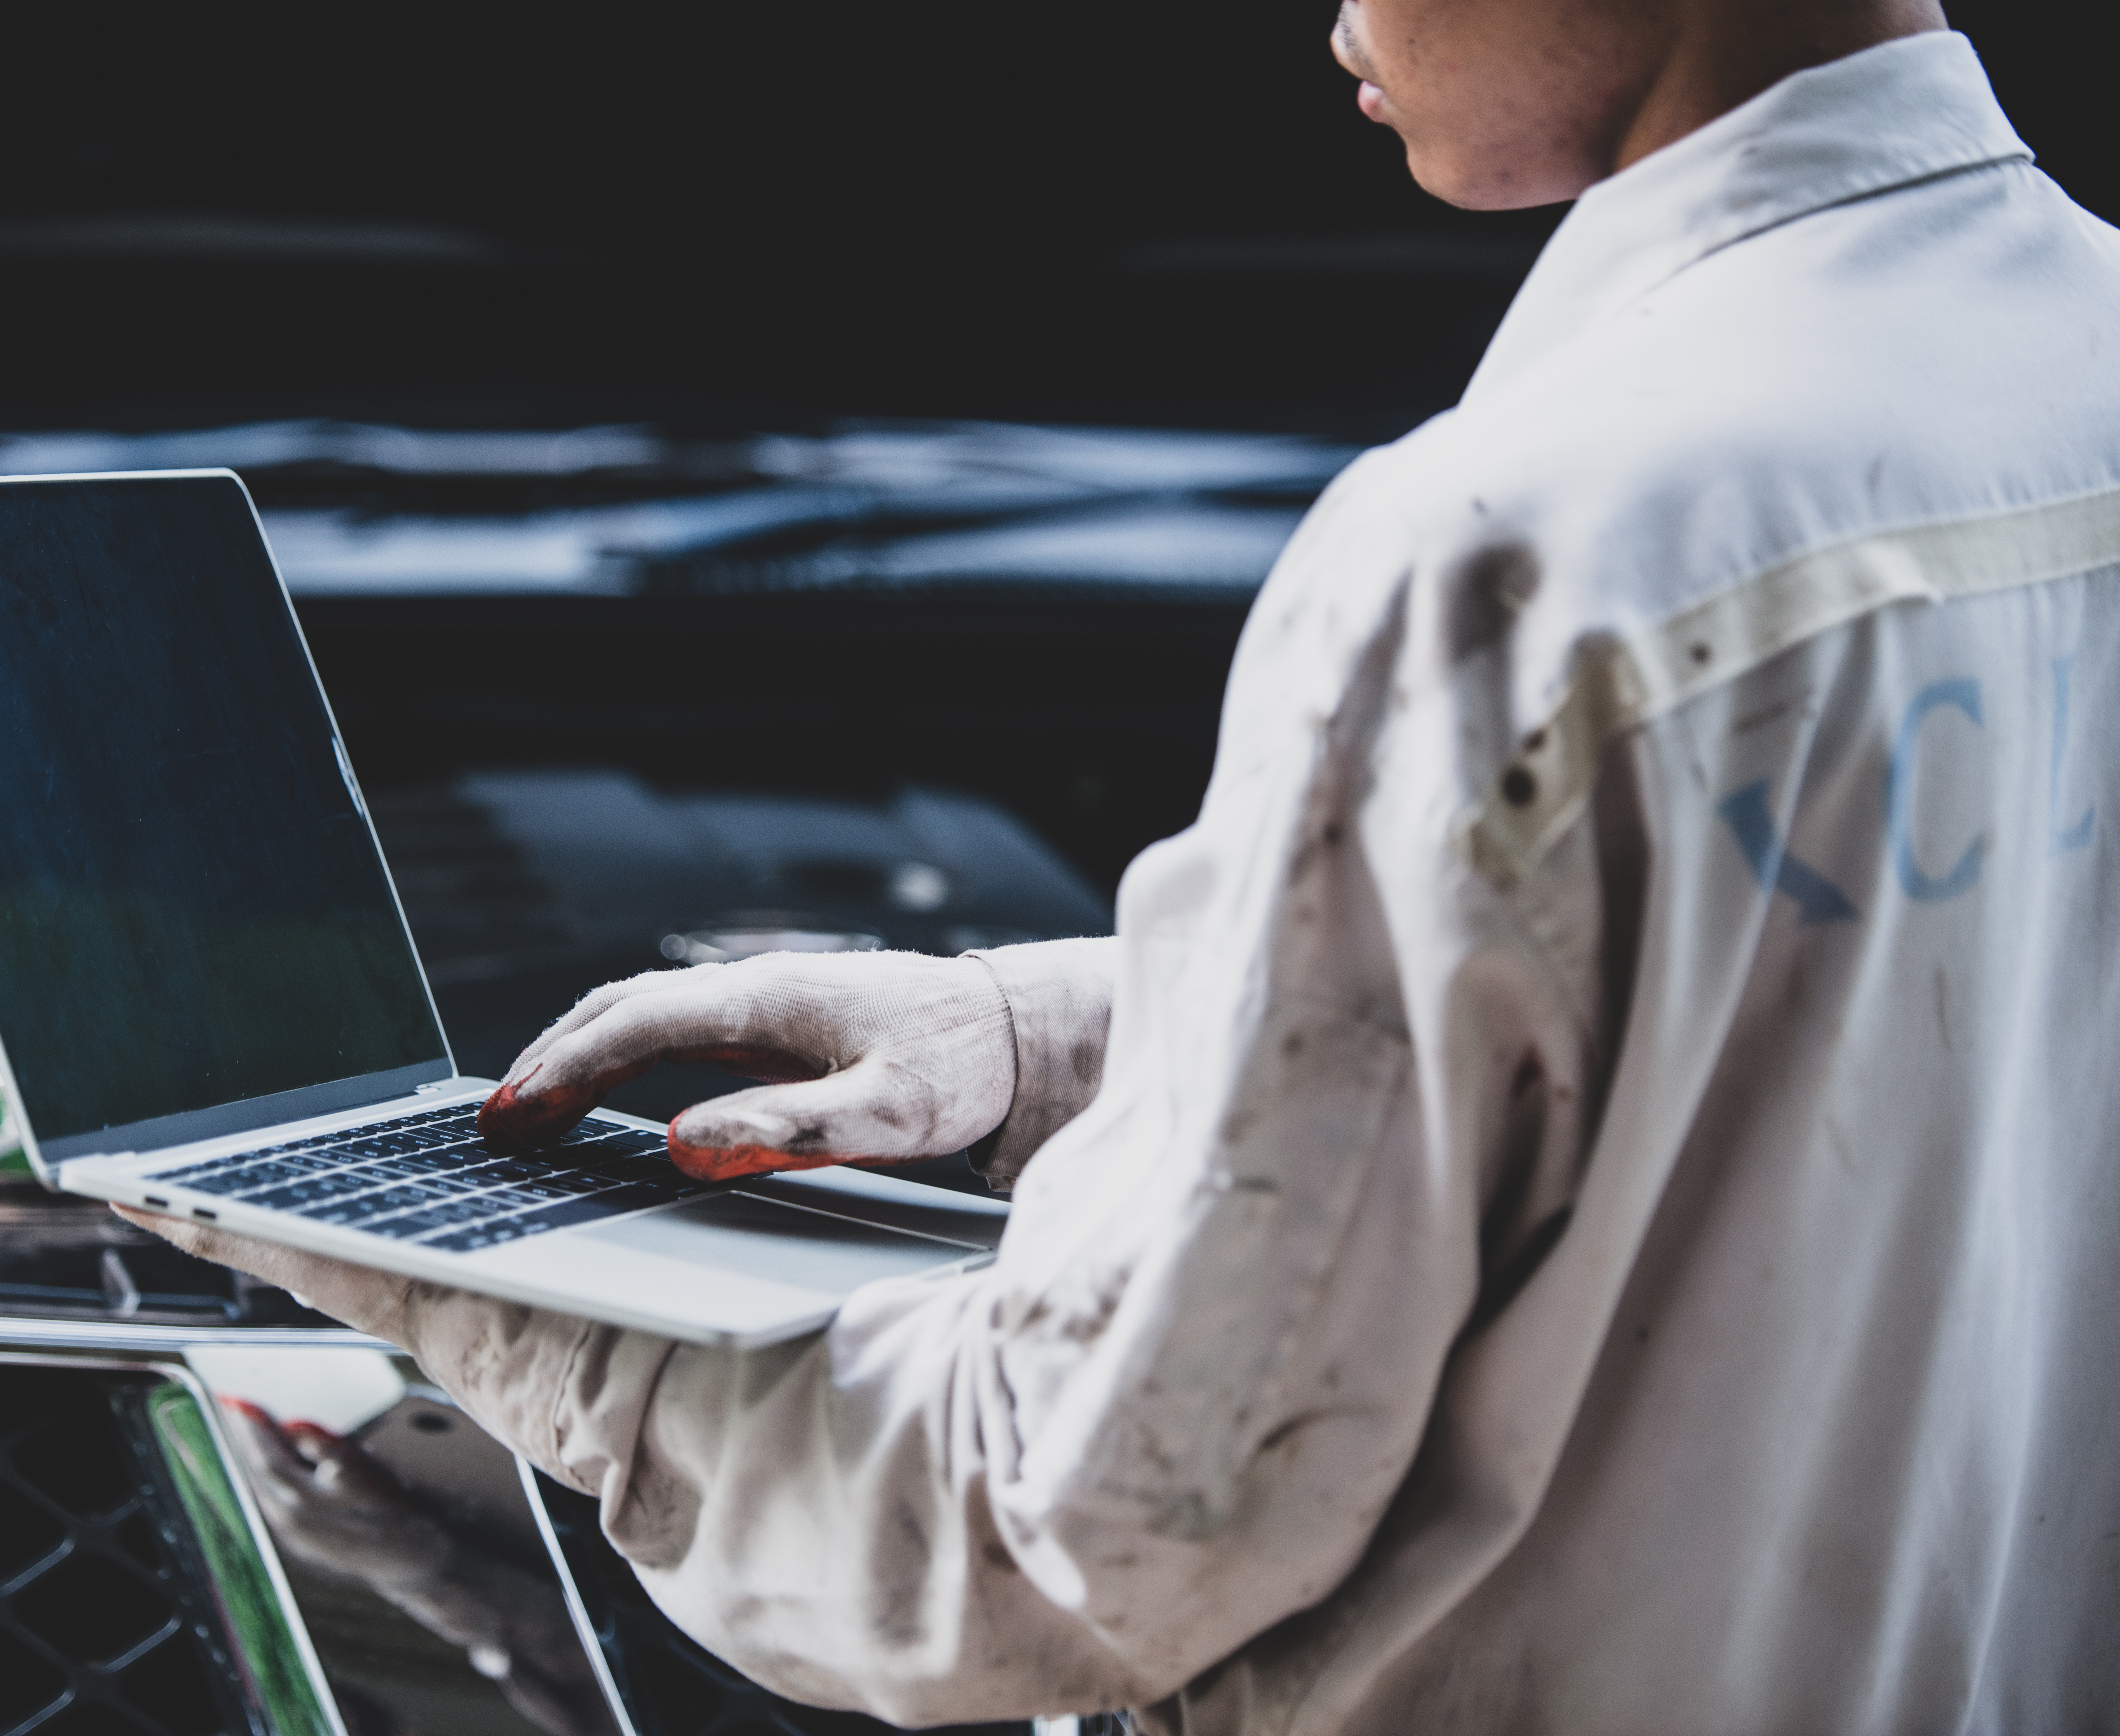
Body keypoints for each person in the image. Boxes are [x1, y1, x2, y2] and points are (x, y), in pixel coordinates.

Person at [133, 0, 2120, 1725]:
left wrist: (482, 1304)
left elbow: (1072, 1531)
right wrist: (1046, 1035)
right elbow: (1836, 1009)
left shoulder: (1509, 556)